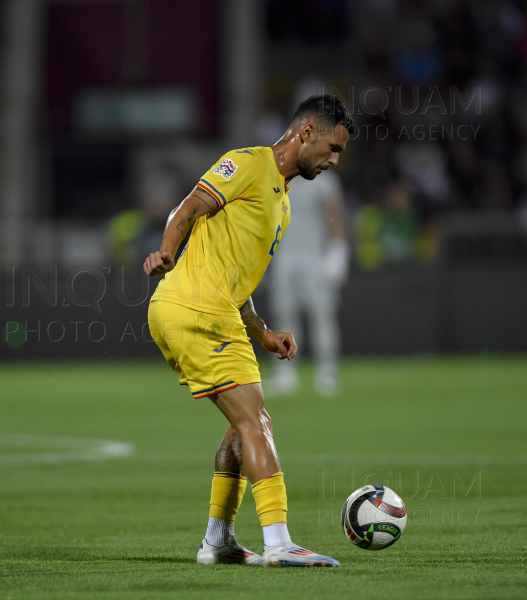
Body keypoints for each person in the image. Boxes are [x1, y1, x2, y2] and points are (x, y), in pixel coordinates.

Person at [143, 94, 354, 568]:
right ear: (305, 134)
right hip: (192, 308)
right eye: (332, 149)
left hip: (219, 312)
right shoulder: (247, 163)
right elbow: (189, 208)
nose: (334, 161)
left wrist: (262, 332)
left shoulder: (282, 202)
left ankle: (219, 540)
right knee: (255, 421)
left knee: (243, 429)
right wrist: (166, 252)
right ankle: (279, 542)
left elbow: (238, 281)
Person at [264, 169, 349, 397]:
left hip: (315, 255)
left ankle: (327, 372)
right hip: (284, 256)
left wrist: (338, 250)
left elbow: (333, 214)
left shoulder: (324, 181)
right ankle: (285, 373)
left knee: (322, 313)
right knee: (284, 314)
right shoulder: (277, 179)